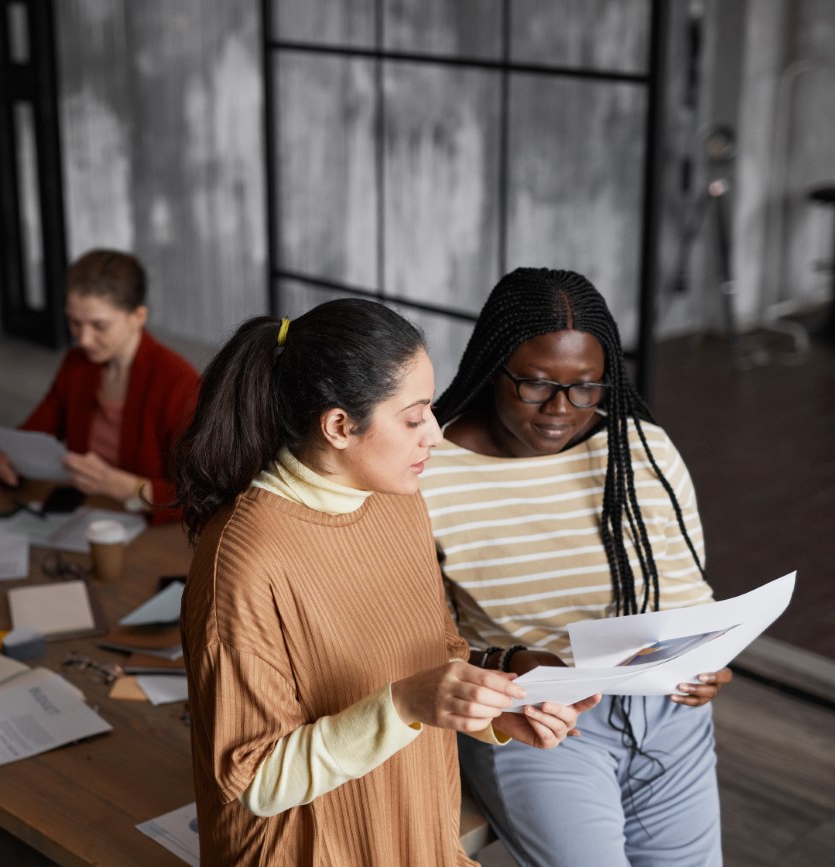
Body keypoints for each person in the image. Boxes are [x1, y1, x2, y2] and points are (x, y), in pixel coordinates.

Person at [172, 298, 597, 865]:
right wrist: (404, 705)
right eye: (414, 416)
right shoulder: (243, 560)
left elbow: (430, 655)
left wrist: (503, 694)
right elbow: (254, 782)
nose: (435, 436)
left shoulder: (396, 499)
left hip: (416, 835)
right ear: (340, 426)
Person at [420, 268, 729, 867]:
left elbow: (691, 598)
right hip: (538, 721)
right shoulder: (430, 476)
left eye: (586, 388)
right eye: (535, 385)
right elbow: (413, 644)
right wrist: (505, 666)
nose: (562, 410)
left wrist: (708, 661)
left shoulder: (641, 449)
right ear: (492, 369)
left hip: (668, 714)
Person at [0, 249, 198, 523]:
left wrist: (127, 487)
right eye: (74, 323)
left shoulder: (178, 383)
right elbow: (38, 427)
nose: (84, 339)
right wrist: (12, 454)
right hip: (87, 512)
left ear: (138, 317)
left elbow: (201, 495)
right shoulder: (78, 364)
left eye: (99, 326)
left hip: (149, 528)